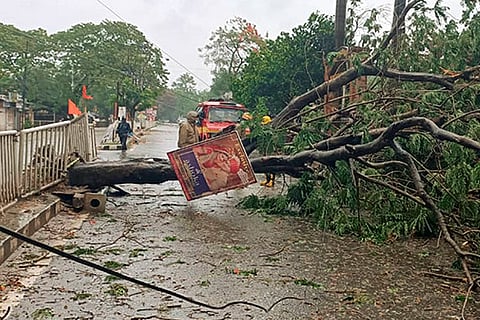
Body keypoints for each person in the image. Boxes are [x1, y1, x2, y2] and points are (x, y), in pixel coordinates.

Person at [259, 115, 275, 187]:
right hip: (264, 149)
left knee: (271, 165)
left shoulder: (271, 132)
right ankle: (267, 179)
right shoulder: (263, 131)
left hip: (270, 150)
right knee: (264, 165)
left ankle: (271, 181)